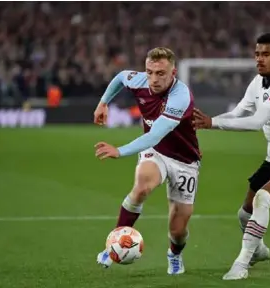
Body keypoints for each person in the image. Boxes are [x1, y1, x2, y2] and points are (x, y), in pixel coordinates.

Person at [193, 33, 270, 280]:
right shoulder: (257, 83)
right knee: (244, 213)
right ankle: (258, 249)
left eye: (266, 54)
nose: (259, 59)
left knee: (263, 198)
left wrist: (213, 124)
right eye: (257, 54)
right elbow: (240, 112)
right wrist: (209, 121)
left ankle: (242, 263)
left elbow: (255, 122)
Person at [93, 47, 201, 275]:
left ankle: (174, 254)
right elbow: (121, 77)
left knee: (178, 228)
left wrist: (119, 151)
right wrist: (103, 102)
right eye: (150, 71)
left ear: (173, 72)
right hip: (155, 151)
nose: (153, 79)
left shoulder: (180, 96)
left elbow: (155, 134)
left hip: (184, 160)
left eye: (160, 73)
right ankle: (114, 246)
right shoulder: (140, 80)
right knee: (142, 186)